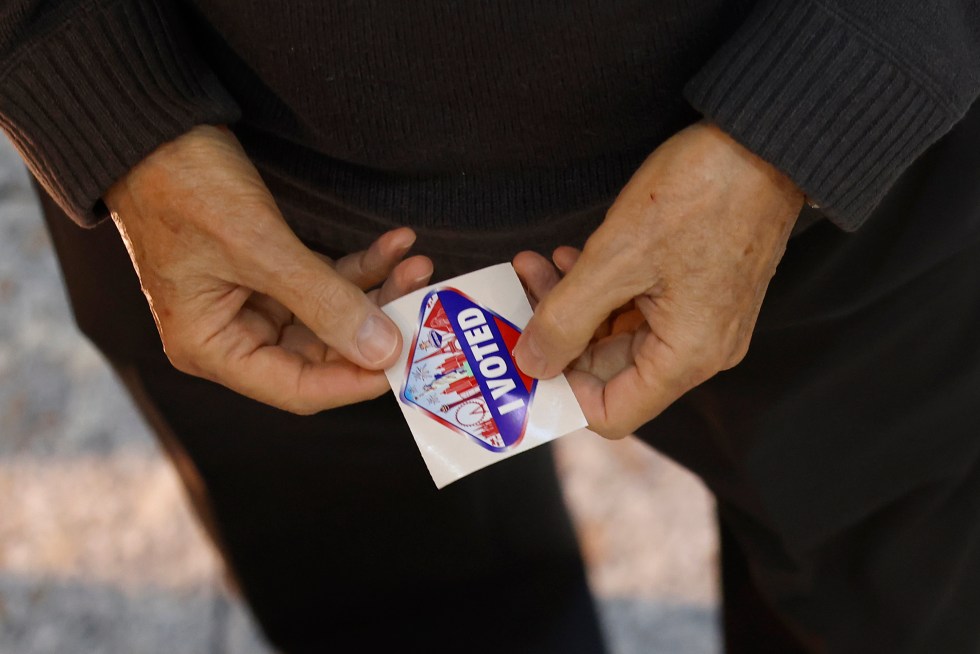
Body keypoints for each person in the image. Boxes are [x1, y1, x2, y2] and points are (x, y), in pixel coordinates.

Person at [2, 1, 979, 652]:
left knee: (895, 615)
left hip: (844, 173)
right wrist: (102, 102)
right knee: (401, 614)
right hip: (226, 212)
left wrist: (825, 102)